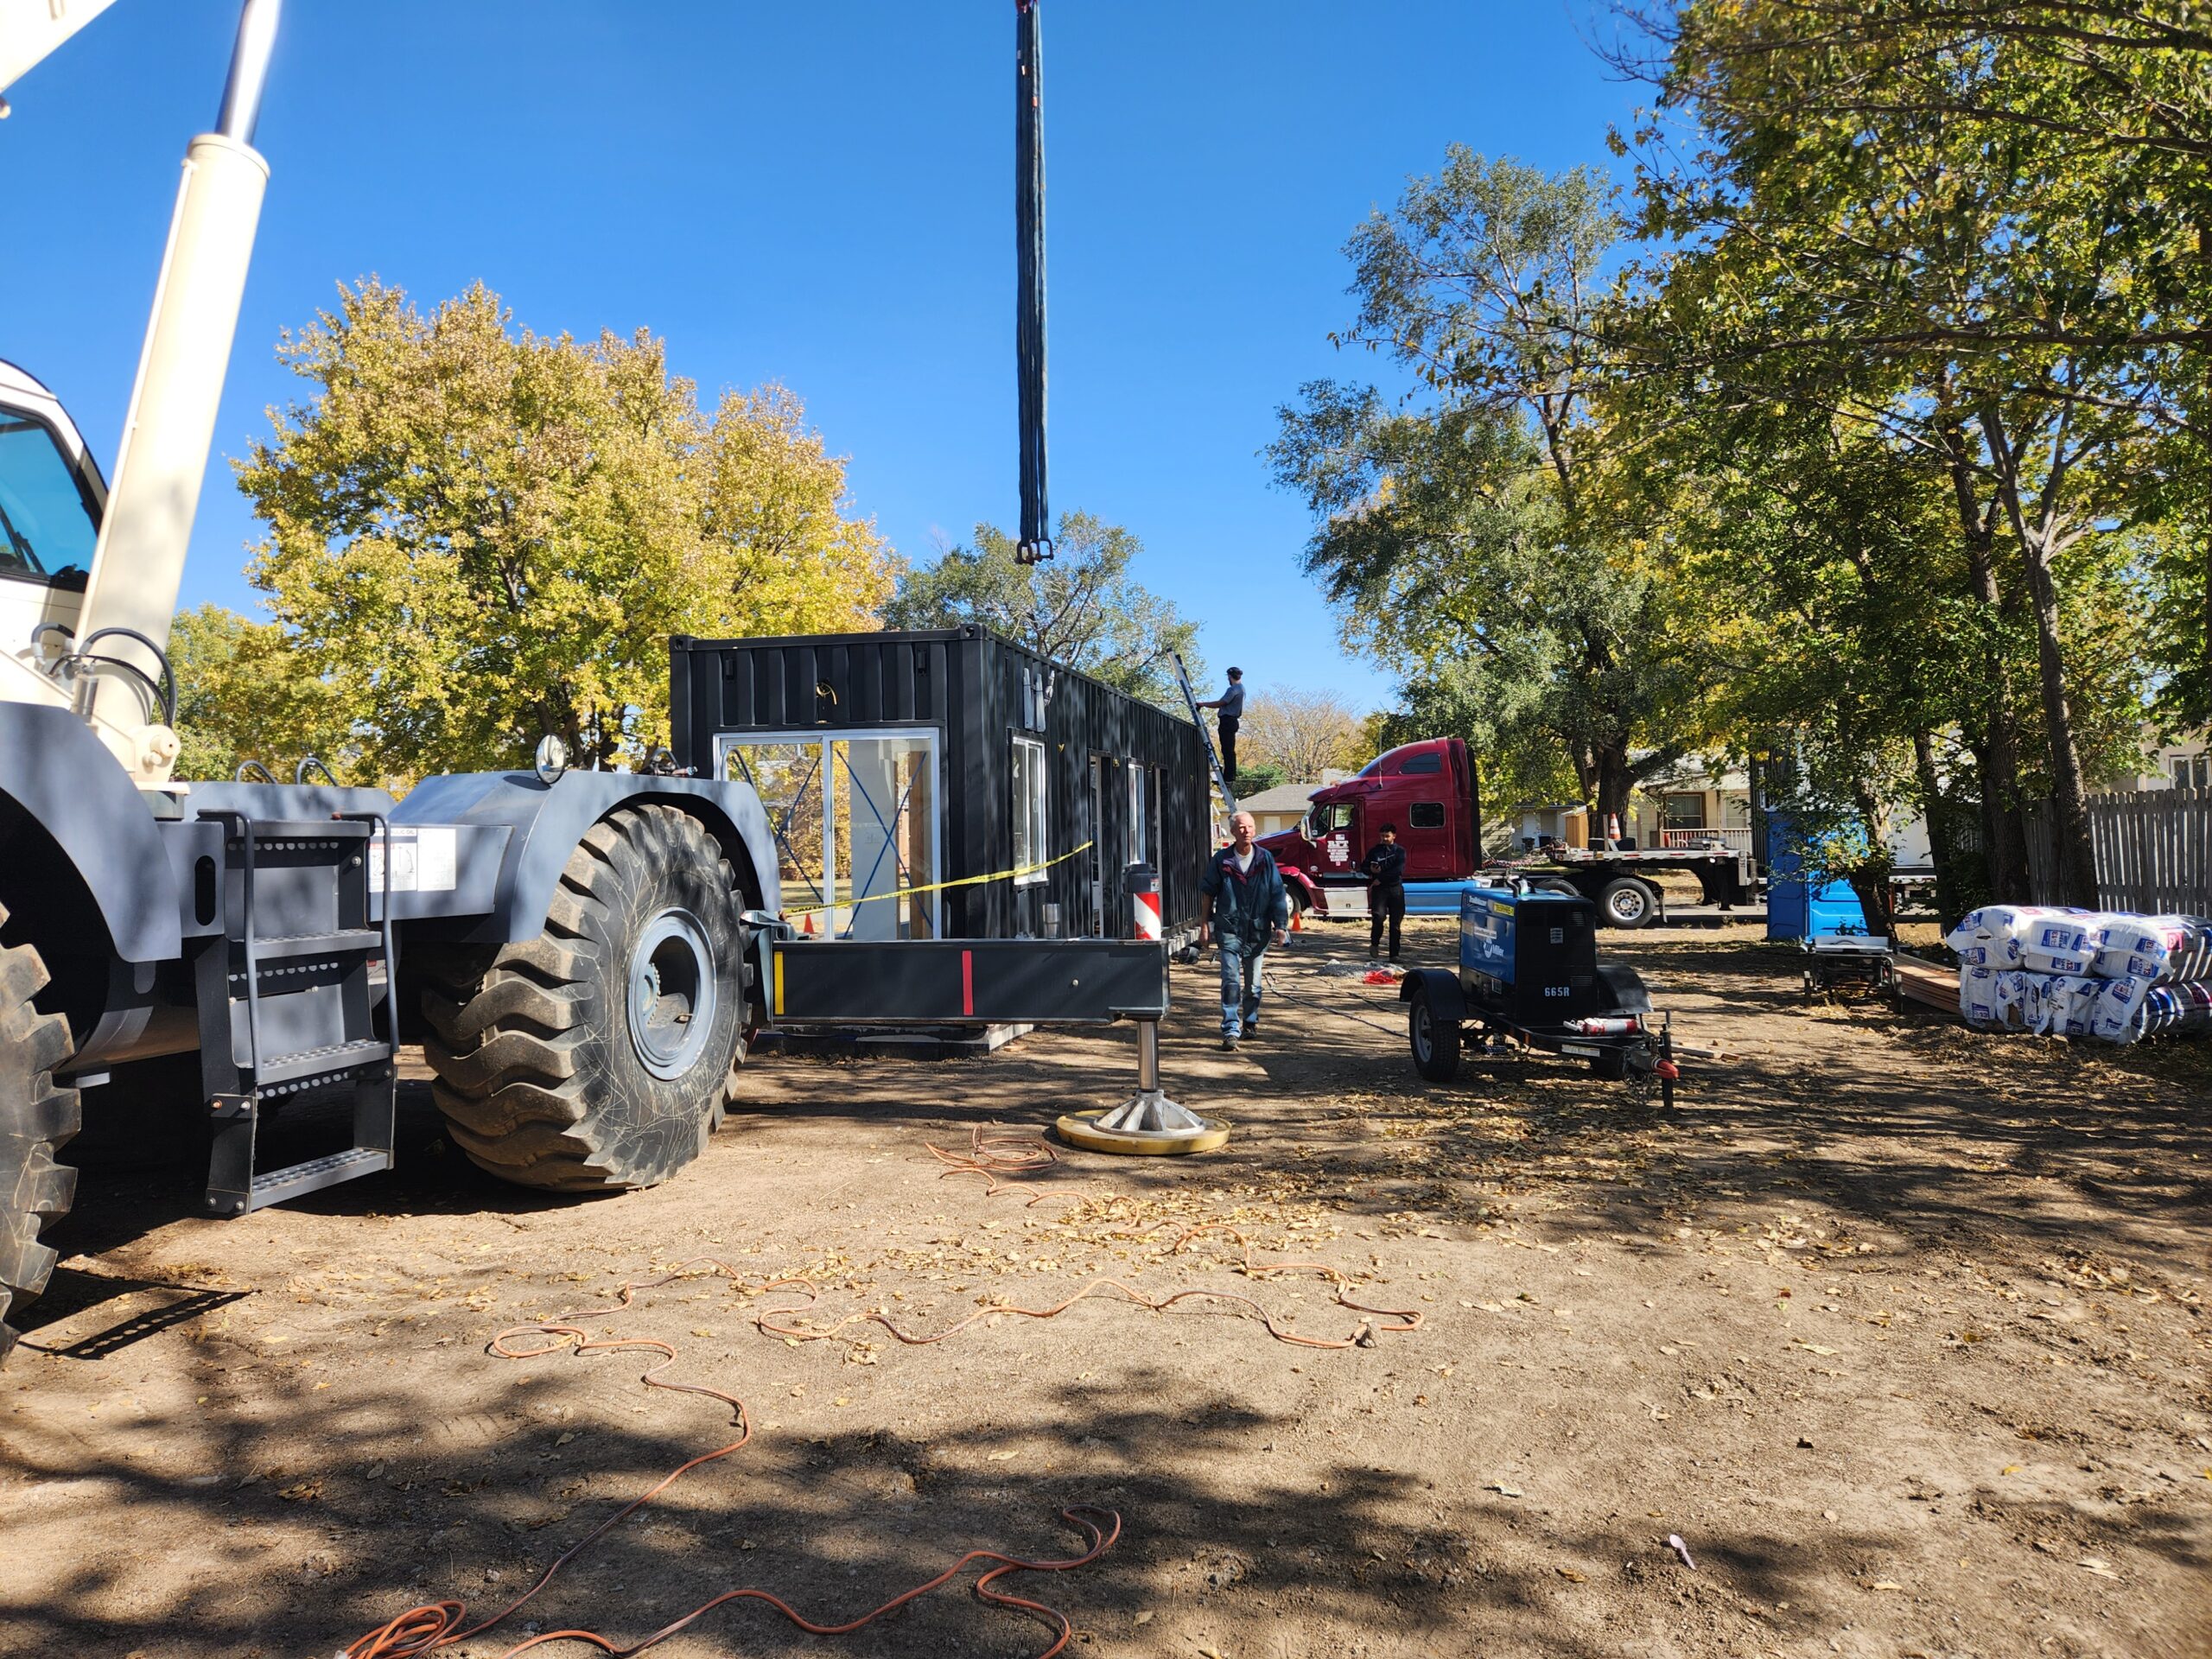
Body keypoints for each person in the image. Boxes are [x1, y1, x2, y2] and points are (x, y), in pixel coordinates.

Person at [1198, 810, 1288, 1050]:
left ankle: (1250, 1021)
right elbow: (1208, 892)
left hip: (1258, 930)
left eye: (1249, 827)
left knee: (1253, 984)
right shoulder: (1222, 860)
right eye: (1241, 828)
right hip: (1228, 928)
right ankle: (1230, 1029)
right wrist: (1204, 927)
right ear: (1232, 832)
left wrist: (1281, 927)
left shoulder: (1265, 859)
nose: (1246, 831)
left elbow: (1277, 893)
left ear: (1255, 830)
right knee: (1230, 980)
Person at [1359, 822, 1407, 961]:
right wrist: (1370, 870)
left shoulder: (1400, 851)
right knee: (1378, 917)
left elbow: (1398, 870)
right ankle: (1374, 943)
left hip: (1395, 889)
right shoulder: (1375, 851)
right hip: (1379, 891)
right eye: (1382, 836)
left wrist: (1381, 878)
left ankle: (1394, 955)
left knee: (1395, 923)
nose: (1384, 838)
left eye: (1387, 836)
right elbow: (1364, 867)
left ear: (1394, 836)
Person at [1194, 667, 1245, 784]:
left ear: (1229, 676)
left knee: (1228, 750)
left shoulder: (1233, 689)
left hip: (1227, 721)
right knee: (1228, 749)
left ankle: (1228, 777)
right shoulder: (1241, 688)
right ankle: (1228, 775)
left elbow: (1220, 703)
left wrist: (1203, 704)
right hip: (1231, 721)